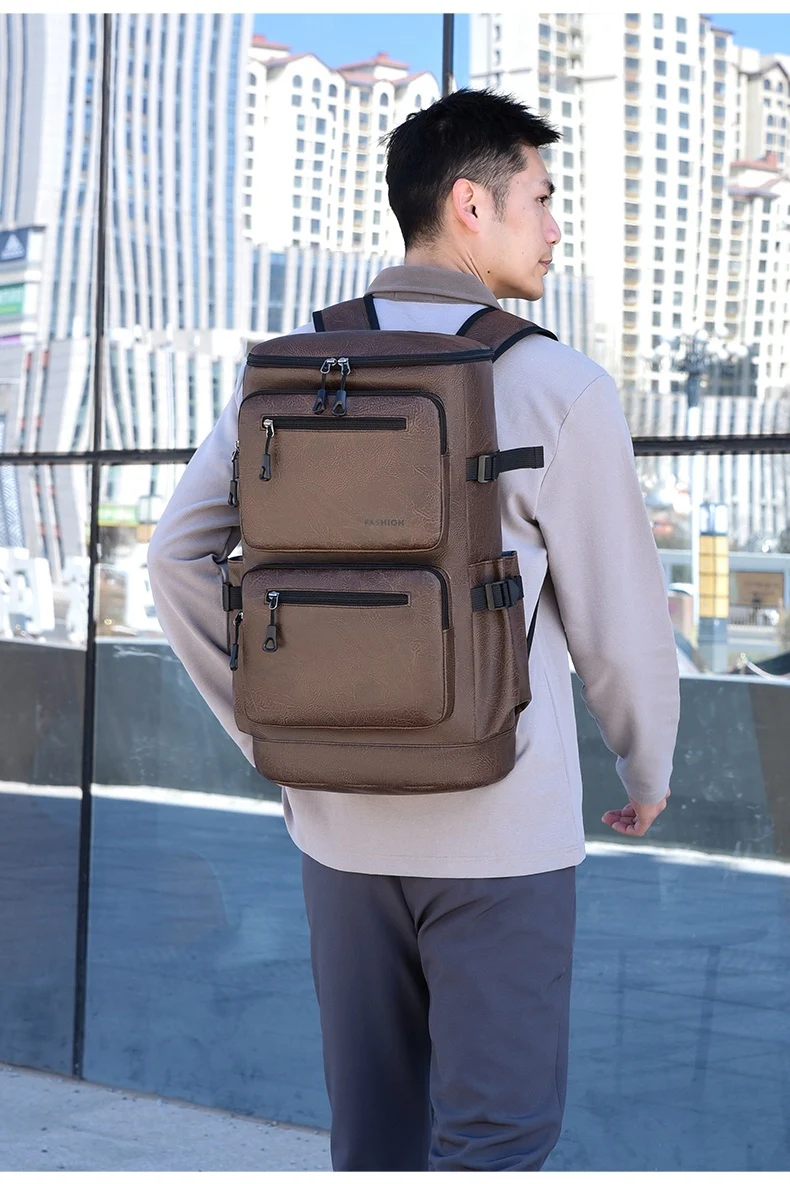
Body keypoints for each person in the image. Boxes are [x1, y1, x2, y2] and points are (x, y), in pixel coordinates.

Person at [147, 88, 680, 1171]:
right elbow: (619, 620)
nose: (555, 227)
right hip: (501, 823)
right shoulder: (556, 383)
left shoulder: (292, 367)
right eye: (541, 199)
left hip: (337, 824)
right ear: (471, 205)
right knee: (497, 1134)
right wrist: (647, 763)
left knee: (376, 1136)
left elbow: (174, 559)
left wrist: (272, 735)